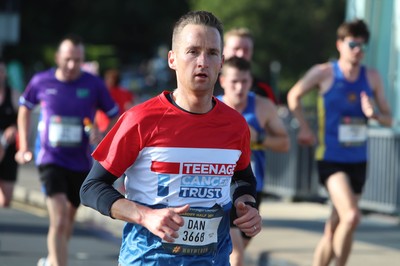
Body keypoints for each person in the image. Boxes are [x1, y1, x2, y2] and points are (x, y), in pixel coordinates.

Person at [80, 10, 262, 266]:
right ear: (172, 59)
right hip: (148, 259)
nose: (202, 61)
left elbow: (242, 178)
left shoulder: (235, 125)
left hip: (212, 260)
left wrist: (247, 204)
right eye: (193, 51)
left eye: (212, 53)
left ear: (221, 62)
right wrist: (145, 216)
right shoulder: (141, 119)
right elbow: (91, 188)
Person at [287, 19, 392, 266]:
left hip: (358, 160)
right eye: (353, 44)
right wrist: (304, 127)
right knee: (352, 217)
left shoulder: (372, 77)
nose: (358, 51)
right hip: (331, 158)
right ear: (340, 44)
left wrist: (375, 114)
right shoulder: (323, 72)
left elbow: (389, 119)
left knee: (334, 227)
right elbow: (293, 95)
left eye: (362, 46)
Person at [16, 34, 120, 266]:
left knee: (68, 221)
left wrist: (102, 136)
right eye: (68, 59)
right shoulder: (41, 81)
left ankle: (51, 260)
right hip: (49, 159)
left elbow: (115, 115)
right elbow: (24, 108)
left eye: (77, 60)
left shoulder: (93, 84)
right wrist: (23, 145)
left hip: (80, 163)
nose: (72, 65)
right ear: (58, 58)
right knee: (60, 218)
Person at [217, 57, 290, 266]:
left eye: (244, 82)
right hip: (220, 189)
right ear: (222, 81)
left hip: (251, 187)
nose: (239, 87)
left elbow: (284, 143)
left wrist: (257, 137)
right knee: (236, 255)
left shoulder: (263, 106)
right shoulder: (212, 108)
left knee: (232, 250)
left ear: (250, 82)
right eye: (234, 82)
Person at [220, 27, 278, 103]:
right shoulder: (209, 84)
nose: (241, 54)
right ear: (224, 50)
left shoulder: (263, 89)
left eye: (246, 50)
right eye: (236, 49)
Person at [0, 59, 19, 208]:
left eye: (1, 71)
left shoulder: (13, 94)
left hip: (8, 150)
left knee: (6, 200)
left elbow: (24, 119)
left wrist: (14, 128)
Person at [95, 68, 135, 134]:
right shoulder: (125, 92)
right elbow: (131, 105)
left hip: (105, 127)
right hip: (120, 126)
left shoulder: (105, 93)